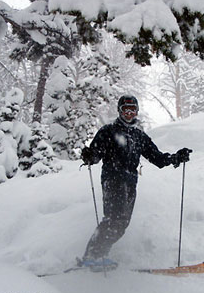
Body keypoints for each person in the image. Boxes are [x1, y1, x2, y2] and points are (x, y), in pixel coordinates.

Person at [79, 94, 192, 269]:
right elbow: (95, 154)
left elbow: (158, 159)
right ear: (120, 111)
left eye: (133, 110)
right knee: (113, 218)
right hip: (112, 179)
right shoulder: (108, 131)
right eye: (126, 110)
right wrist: (90, 156)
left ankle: (100, 255)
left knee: (122, 223)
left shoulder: (139, 136)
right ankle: (91, 257)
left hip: (130, 182)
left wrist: (176, 157)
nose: (129, 113)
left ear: (137, 112)